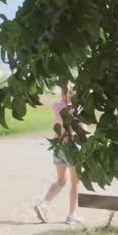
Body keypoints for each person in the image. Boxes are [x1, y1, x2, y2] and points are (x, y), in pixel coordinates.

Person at [34, 85, 87, 224]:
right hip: (72, 147)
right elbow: (81, 129)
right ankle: (72, 215)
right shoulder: (76, 108)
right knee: (75, 182)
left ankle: (44, 205)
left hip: (58, 145)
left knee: (61, 181)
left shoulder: (56, 106)